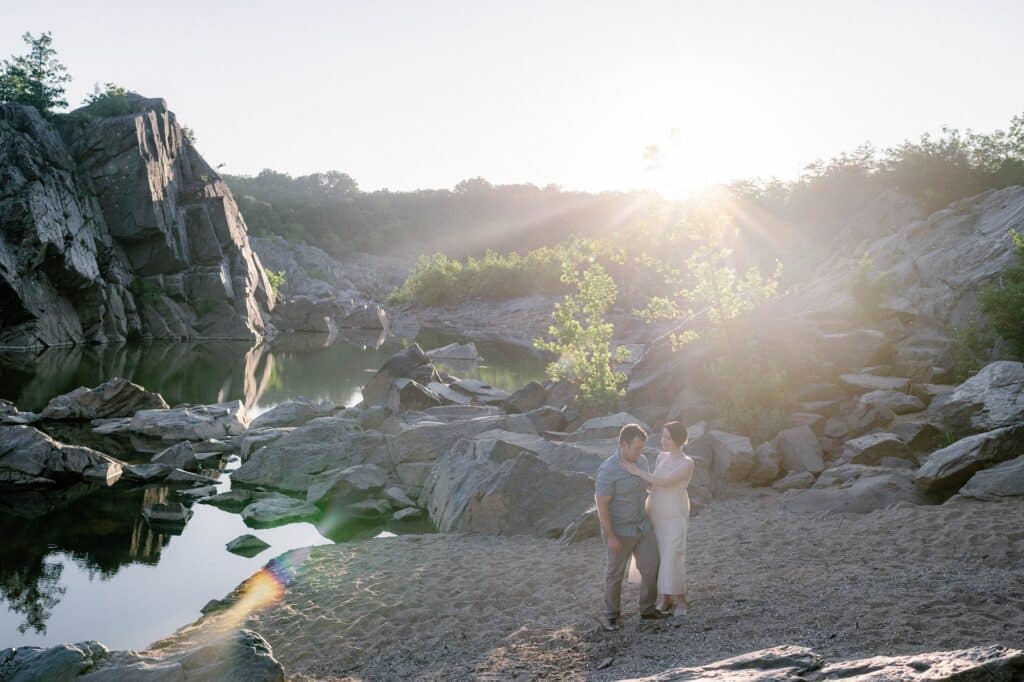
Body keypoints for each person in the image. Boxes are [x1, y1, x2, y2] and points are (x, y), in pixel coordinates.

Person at [594, 423, 669, 631]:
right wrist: (610, 536)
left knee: (653, 565)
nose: (640, 452)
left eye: (642, 448)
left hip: (642, 527)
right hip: (619, 530)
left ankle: (647, 609)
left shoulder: (642, 461)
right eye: (636, 448)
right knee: (615, 573)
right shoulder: (608, 470)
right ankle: (612, 616)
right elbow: (601, 506)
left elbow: (649, 486)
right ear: (624, 445)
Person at [623, 421, 694, 616]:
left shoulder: (687, 463)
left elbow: (665, 481)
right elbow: (654, 484)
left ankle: (682, 600)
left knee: (673, 555)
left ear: (679, 440)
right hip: (654, 511)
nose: (663, 441)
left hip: (674, 514)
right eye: (662, 436)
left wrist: (637, 471)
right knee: (659, 556)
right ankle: (667, 599)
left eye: (668, 438)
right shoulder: (662, 457)